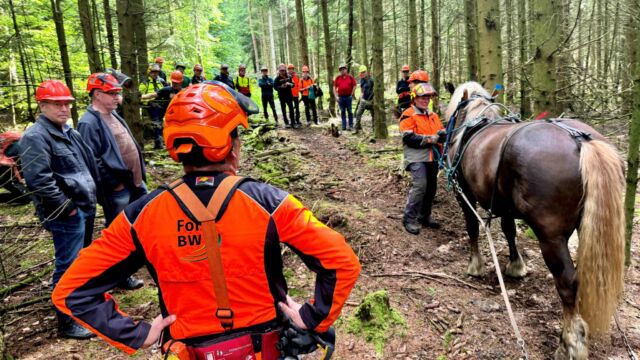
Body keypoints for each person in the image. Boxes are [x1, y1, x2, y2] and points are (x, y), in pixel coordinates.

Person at [52, 82, 361, 358]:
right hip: (265, 347)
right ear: (231, 143)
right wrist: (312, 317)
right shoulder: (269, 202)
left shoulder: (140, 215)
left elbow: (72, 290)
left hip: (188, 348)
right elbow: (341, 260)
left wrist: (137, 333)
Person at [19, 80, 100, 339]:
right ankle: (66, 322)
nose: (64, 108)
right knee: (68, 266)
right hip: (66, 215)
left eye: (66, 103)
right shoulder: (35, 136)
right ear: (42, 105)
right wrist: (67, 209)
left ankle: (82, 308)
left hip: (83, 207)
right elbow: (39, 180)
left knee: (82, 262)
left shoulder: (69, 131)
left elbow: (85, 166)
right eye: (57, 104)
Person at [77, 73, 147, 290]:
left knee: (142, 222)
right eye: (112, 93)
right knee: (119, 234)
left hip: (134, 183)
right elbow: (92, 160)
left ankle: (139, 260)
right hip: (117, 188)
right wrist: (113, 183)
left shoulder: (113, 114)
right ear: (97, 94)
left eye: (118, 93)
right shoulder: (88, 122)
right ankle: (118, 276)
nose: (118, 97)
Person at [399, 83, 444, 235]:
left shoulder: (433, 116)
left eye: (428, 97)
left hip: (432, 156)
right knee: (420, 185)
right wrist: (432, 139)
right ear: (415, 99)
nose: (425, 100)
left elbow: (441, 131)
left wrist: (443, 135)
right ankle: (409, 218)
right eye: (422, 97)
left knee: (431, 187)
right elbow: (409, 137)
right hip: (416, 156)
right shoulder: (408, 114)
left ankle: (424, 216)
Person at [141, 71, 184, 149]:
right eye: (173, 82)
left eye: (176, 83)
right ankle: (158, 142)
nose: (174, 84)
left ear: (181, 82)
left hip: (178, 114)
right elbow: (152, 95)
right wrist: (141, 96)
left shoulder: (184, 92)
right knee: (157, 124)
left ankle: (178, 143)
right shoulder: (166, 90)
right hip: (163, 110)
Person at [333, 64, 357, 131]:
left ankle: (351, 125)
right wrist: (336, 96)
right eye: (341, 69)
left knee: (349, 111)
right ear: (340, 71)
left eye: (343, 69)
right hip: (341, 97)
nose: (342, 70)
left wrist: (352, 94)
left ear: (346, 69)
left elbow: (355, 85)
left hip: (348, 97)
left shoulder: (350, 77)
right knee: (342, 111)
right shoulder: (338, 78)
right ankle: (344, 126)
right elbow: (334, 87)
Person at [274, 63, 296, 128]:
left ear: (285, 70)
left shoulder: (289, 77)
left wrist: (290, 84)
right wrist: (281, 87)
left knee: (291, 109)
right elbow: (275, 87)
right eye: (281, 70)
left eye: (283, 70)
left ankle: (293, 123)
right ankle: (286, 123)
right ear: (279, 70)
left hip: (289, 95)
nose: (282, 72)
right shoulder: (277, 78)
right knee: (283, 110)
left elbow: (293, 85)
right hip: (282, 96)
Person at [354, 65, 374, 133]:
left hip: (371, 100)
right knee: (358, 113)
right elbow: (362, 90)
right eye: (361, 72)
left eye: (363, 72)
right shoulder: (362, 80)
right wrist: (361, 97)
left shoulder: (372, 80)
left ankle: (374, 130)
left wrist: (372, 99)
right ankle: (356, 129)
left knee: (374, 115)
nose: (362, 73)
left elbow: (375, 90)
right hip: (364, 100)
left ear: (366, 72)